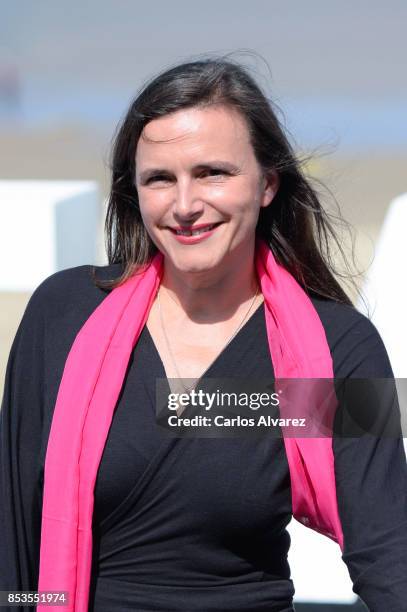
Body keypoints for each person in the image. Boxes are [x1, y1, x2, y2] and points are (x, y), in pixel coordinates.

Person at [1, 56, 407, 612]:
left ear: (267, 184)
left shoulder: (337, 349)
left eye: (213, 172)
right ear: (134, 192)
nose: (186, 205)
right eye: (160, 179)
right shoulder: (65, 314)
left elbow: (388, 550)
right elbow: (14, 529)